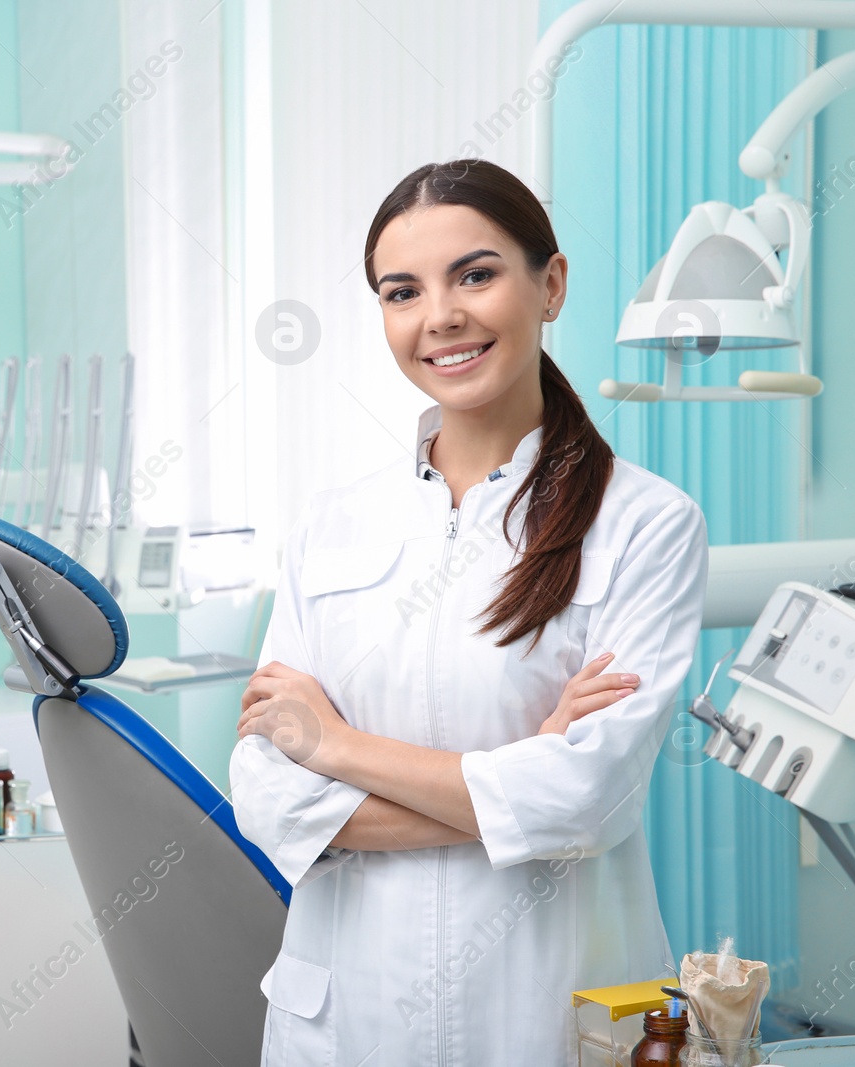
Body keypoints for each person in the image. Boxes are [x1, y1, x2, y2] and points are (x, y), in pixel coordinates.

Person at [230, 158, 709, 1065]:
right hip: (350, 1016)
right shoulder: (332, 524)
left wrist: (335, 748)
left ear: (551, 284)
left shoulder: (646, 523)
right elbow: (265, 796)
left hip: (548, 1013)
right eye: (402, 291)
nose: (439, 316)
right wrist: (519, 781)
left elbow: (587, 799)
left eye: (476, 275)